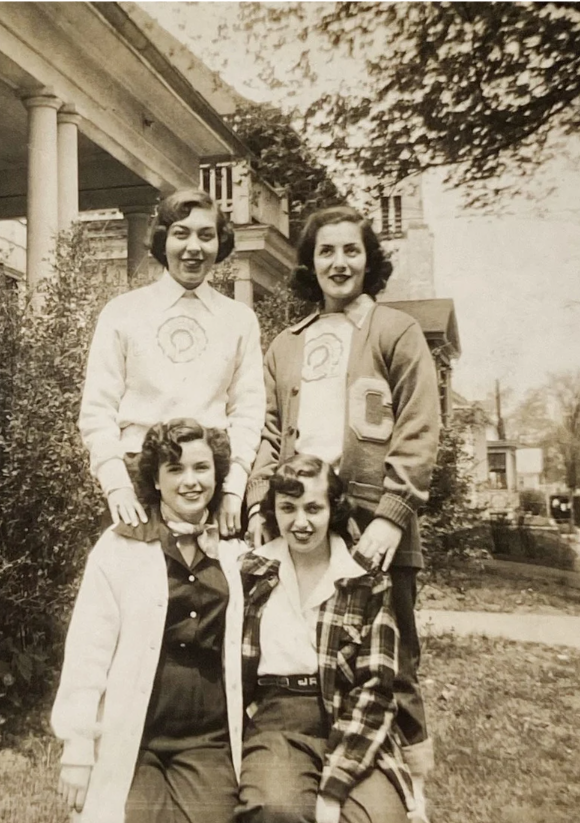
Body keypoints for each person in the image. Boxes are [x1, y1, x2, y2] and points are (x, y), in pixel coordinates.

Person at [245, 205, 440, 813]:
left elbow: (418, 424)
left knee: (392, 650)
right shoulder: (287, 343)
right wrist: (258, 501)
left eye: (350, 250)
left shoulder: (394, 330)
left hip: (374, 514)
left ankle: (407, 778)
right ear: (309, 264)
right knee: (314, 632)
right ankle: (299, 752)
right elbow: (268, 431)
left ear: (369, 259)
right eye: (326, 252)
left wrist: (391, 511)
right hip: (305, 512)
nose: (338, 262)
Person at [52, 418, 245, 823]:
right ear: (156, 481)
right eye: (175, 469)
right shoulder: (121, 545)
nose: (190, 481)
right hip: (137, 735)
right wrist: (78, 745)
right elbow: (89, 650)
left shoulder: (234, 550)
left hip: (207, 740)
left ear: (218, 474)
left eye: (201, 468)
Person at [239, 454, 419, 823]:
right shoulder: (249, 573)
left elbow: (375, 688)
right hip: (277, 723)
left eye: (313, 508)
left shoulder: (364, 580)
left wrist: (334, 789)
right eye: (287, 508)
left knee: (379, 818)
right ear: (273, 510)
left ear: (333, 509)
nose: (300, 522)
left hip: (351, 719)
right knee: (277, 811)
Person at [79, 189, 265, 537]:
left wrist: (233, 488)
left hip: (211, 484)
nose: (194, 247)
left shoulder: (239, 319)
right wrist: (116, 484)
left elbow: (249, 412)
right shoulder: (123, 312)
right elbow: (97, 410)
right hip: (138, 481)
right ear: (163, 240)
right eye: (181, 233)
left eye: (206, 235)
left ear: (219, 244)